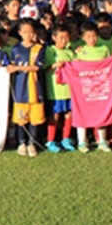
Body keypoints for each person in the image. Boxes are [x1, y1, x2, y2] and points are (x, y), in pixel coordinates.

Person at [7, 19, 45, 158]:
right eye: (25, 32)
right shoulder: (15, 49)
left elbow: (37, 67)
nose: (28, 35)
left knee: (35, 119)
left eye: (31, 32)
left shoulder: (39, 48)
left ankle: (32, 143)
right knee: (21, 119)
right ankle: (21, 143)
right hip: (20, 89)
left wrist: (18, 68)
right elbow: (10, 66)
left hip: (35, 89)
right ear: (20, 33)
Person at [75, 21, 111, 153]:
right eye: (88, 37)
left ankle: (102, 140)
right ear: (83, 37)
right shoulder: (81, 51)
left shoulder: (104, 49)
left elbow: (110, 66)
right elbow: (75, 68)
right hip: (84, 89)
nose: (92, 39)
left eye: (94, 36)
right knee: (82, 113)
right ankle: (82, 142)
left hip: (101, 88)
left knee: (101, 113)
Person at [43, 24, 76, 153]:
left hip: (69, 90)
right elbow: (44, 68)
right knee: (55, 116)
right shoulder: (49, 51)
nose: (64, 40)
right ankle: (50, 140)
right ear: (54, 37)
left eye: (66, 38)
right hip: (55, 91)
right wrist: (54, 65)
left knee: (69, 114)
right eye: (61, 38)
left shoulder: (70, 52)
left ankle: (66, 139)